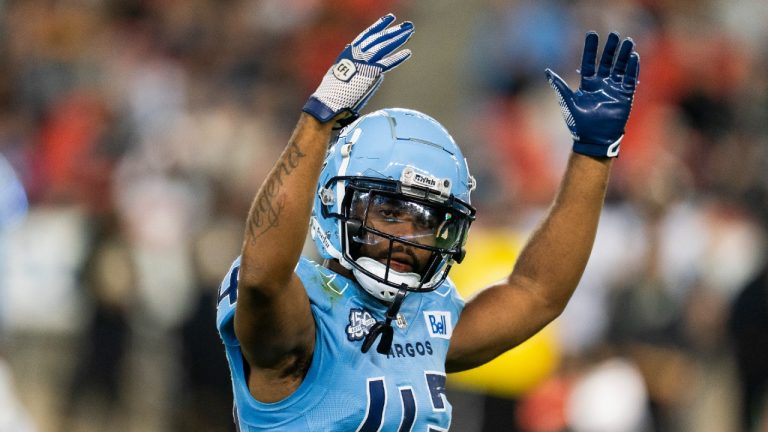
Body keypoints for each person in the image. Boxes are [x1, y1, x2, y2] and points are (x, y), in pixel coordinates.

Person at [215, 13, 639, 430]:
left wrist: (594, 152)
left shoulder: (423, 317)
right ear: (336, 201)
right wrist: (318, 120)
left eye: (428, 221)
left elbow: (538, 293)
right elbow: (262, 279)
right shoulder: (303, 314)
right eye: (389, 212)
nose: (407, 237)